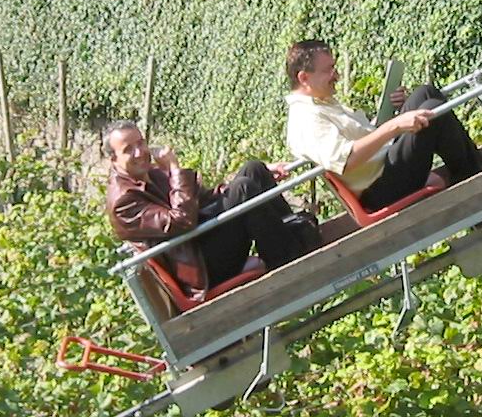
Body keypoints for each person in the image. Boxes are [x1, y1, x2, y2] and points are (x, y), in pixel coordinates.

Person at [103, 120, 320, 295]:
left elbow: (204, 198)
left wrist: (262, 172)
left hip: (202, 239)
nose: (140, 152)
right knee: (244, 188)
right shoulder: (124, 201)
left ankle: (293, 238)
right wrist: (175, 170)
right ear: (113, 159)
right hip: (202, 268)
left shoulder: (147, 173)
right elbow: (182, 220)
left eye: (141, 143)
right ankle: (286, 258)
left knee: (253, 170)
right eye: (128, 150)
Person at [282, 40, 482, 209]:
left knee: (425, 94)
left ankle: (472, 173)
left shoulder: (321, 102)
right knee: (433, 111)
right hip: (380, 188)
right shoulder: (305, 119)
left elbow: (364, 137)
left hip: (384, 164)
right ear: (304, 78)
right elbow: (346, 160)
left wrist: (399, 111)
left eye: (335, 67)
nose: (336, 75)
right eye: (328, 70)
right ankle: (477, 183)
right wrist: (395, 126)